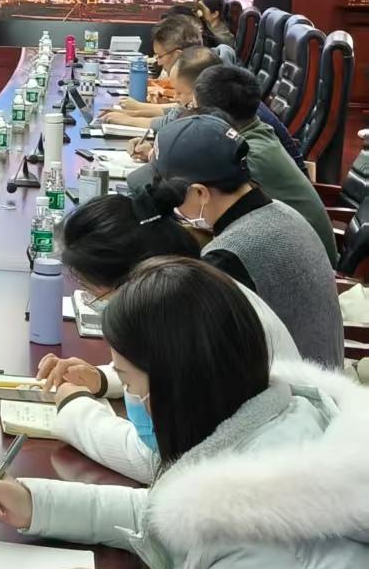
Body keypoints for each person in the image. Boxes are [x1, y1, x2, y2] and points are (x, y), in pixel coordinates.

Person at [0, 258, 369, 569]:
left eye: (126, 381)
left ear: (173, 387)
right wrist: (35, 503)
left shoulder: (264, 554)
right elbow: (166, 511)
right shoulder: (277, 436)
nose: (129, 398)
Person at [35, 199, 299, 483]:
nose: (95, 303)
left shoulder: (189, 316)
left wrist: (74, 408)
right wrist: (104, 379)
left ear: (130, 283)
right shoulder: (195, 293)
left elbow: (161, 460)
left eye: (94, 295)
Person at [147, 114, 343, 367]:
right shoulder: (280, 211)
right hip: (321, 374)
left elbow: (183, 351)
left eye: (172, 196)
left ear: (200, 193)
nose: (174, 207)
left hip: (291, 386)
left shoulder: (229, 259)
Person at [193, 66, 336, 256]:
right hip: (295, 247)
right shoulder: (256, 130)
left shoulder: (247, 157)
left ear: (214, 115)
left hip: (303, 258)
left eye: (194, 108)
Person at [124, 45, 302, 165]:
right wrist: (154, 152)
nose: (177, 99)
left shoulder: (248, 139)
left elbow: (202, 169)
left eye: (180, 92)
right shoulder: (234, 109)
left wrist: (157, 154)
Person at [102, 15, 204, 127]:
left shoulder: (199, 86)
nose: (158, 63)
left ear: (178, 55)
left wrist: (128, 119)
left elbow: (171, 123)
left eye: (160, 56)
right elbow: (176, 111)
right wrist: (134, 112)